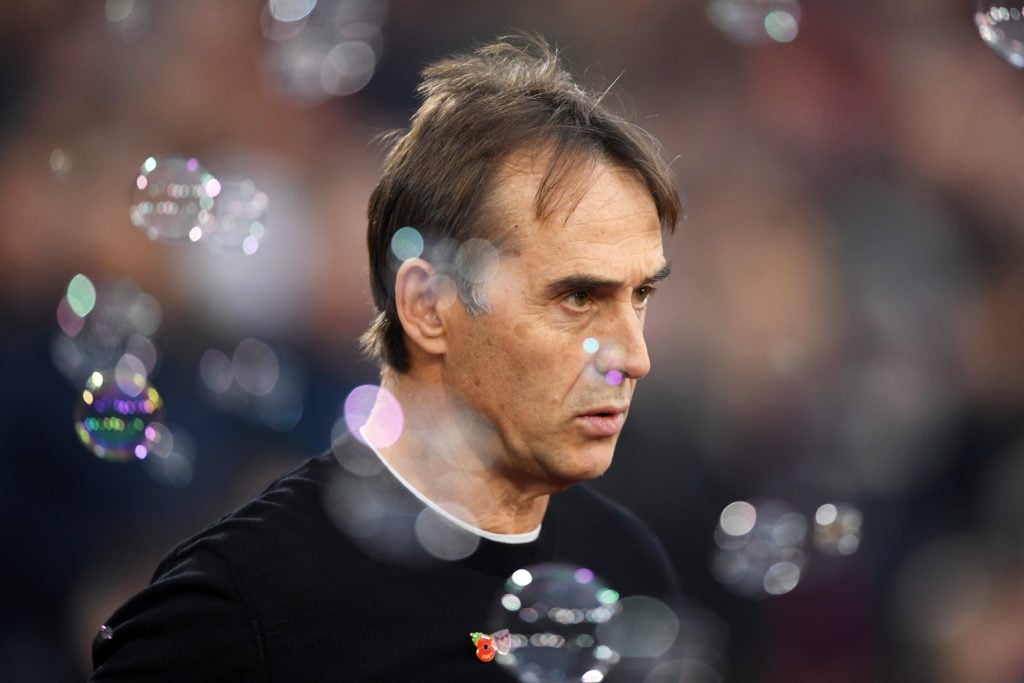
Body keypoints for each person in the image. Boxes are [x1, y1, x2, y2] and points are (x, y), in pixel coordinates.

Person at [90, 33, 684, 682]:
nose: (634, 356)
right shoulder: (238, 607)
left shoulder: (629, 565)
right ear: (428, 306)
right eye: (576, 296)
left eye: (642, 294)